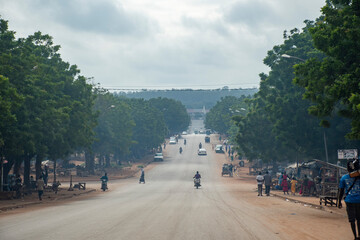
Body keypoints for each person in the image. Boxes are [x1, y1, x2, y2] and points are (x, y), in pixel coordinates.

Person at [338, 159, 360, 240]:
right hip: (359, 201)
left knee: (352, 220)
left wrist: (339, 201)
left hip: (349, 200)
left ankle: (355, 236)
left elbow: (341, 191)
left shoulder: (344, 178)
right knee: (359, 219)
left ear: (347, 169)